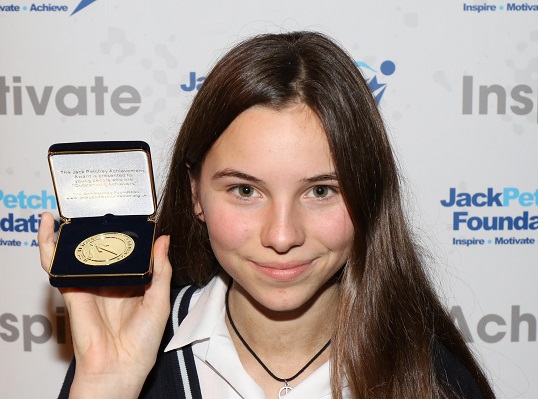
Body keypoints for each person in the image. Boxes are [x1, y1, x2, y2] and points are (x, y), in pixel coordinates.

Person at [38, 31, 495, 398]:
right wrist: (105, 386)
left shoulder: (433, 378)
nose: (281, 235)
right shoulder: (128, 357)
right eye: (244, 190)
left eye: (320, 191)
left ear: (368, 195)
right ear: (196, 193)